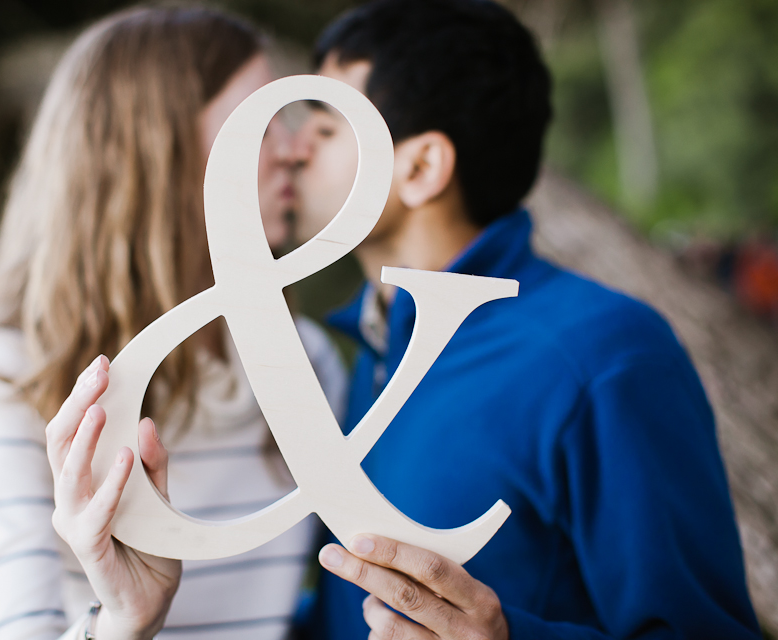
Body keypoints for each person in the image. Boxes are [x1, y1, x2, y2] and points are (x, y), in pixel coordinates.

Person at [286, 1, 763, 638]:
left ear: (421, 167)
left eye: (325, 127)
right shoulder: (370, 354)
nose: (292, 152)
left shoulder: (606, 354)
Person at [0, 7, 346, 640]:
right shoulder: (15, 371)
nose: (293, 150)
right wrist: (123, 623)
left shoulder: (307, 361)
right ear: (153, 146)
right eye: (259, 118)